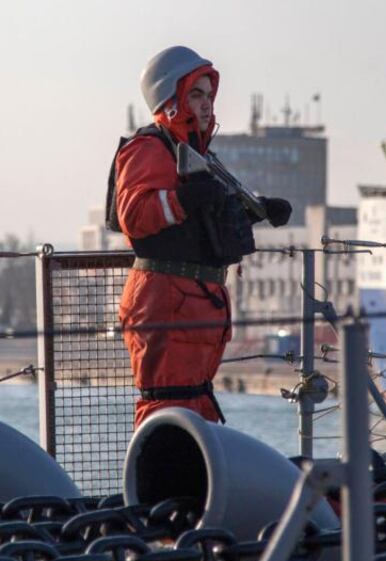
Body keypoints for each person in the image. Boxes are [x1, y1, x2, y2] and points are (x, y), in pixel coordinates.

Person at [111, 46, 292, 427]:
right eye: (196, 94)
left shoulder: (197, 154)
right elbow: (134, 215)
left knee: (193, 408)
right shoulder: (149, 148)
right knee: (167, 410)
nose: (207, 104)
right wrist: (185, 197)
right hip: (167, 302)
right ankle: (162, 484)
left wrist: (256, 211)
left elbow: (204, 220)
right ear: (170, 99)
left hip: (194, 303)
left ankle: (195, 484)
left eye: (209, 95)